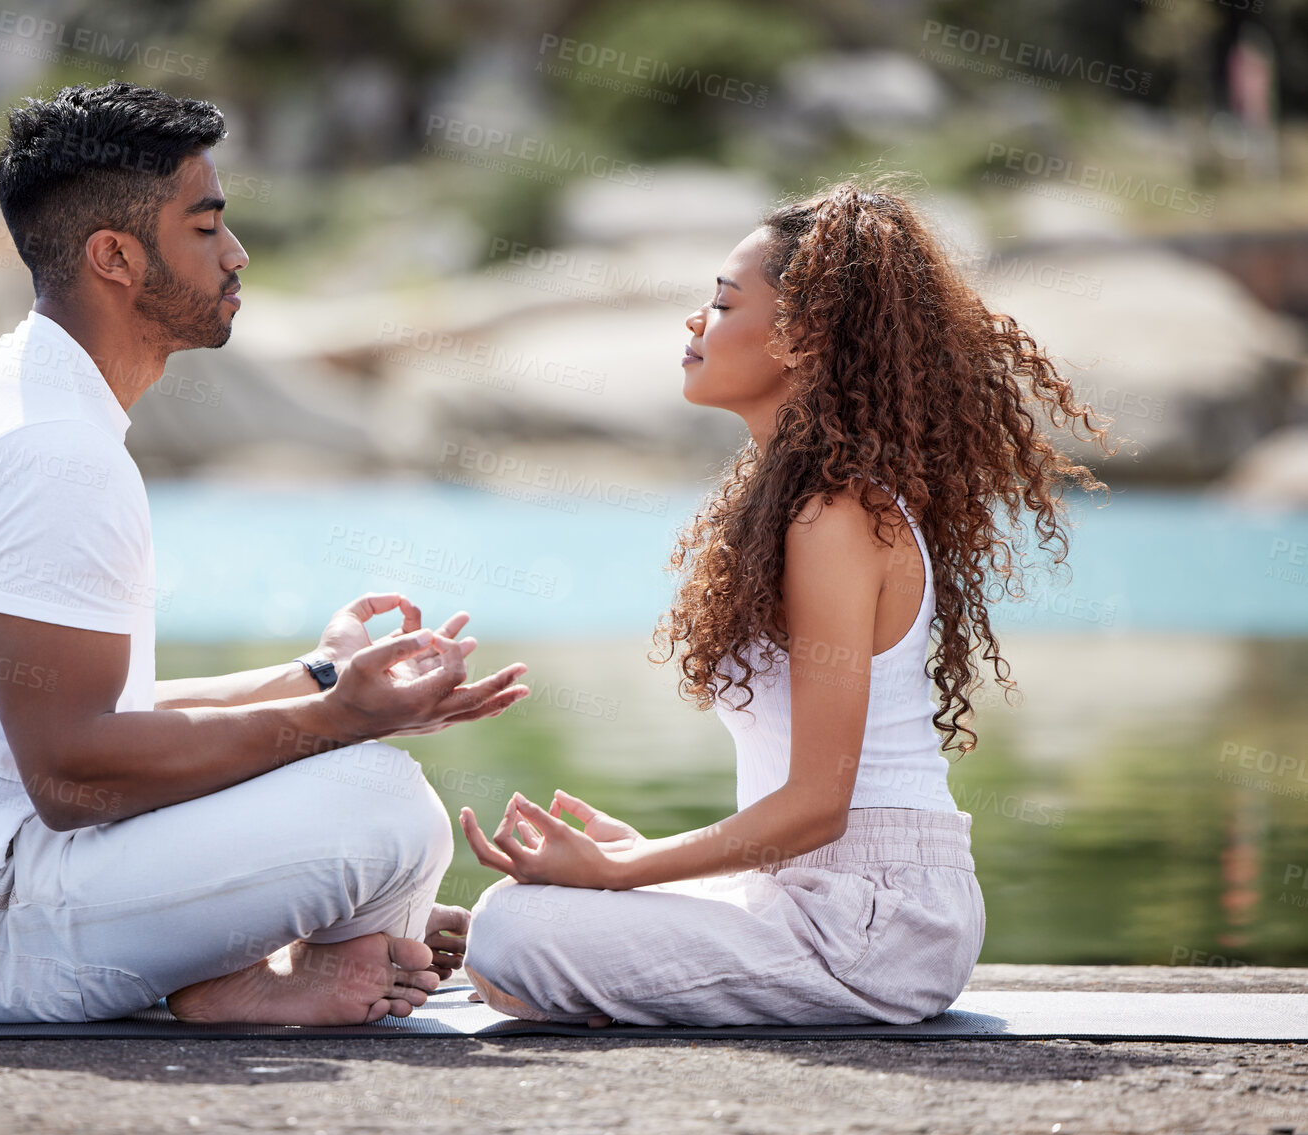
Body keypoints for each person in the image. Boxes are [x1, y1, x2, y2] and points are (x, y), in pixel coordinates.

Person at [0, 81, 528, 1026]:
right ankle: (291, 975)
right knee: (382, 802)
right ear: (114, 255)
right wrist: (336, 720)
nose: (236, 254)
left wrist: (319, 677)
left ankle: (288, 963)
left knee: (365, 797)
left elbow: (95, 719)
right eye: (205, 228)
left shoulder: (21, 392)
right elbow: (74, 772)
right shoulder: (53, 448)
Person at [457, 181, 1113, 1027]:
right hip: (817, 894)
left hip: (877, 919)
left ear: (804, 336)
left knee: (510, 932)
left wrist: (626, 871)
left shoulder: (835, 515)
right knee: (513, 928)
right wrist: (645, 860)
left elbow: (817, 804)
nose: (695, 322)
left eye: (723, 303)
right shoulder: (793, 500)